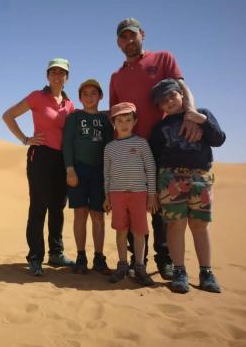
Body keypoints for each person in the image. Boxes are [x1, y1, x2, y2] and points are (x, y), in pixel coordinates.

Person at [109, 17, 202, 280]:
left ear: (142, 35)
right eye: (124, 38)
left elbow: (181, 88)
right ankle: (137, 261)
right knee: (131, 204)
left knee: (159, 203)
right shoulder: (116, 76)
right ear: (118, 43)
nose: (129, 41)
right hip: (131, 148)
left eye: (133, 35)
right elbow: (115, 114)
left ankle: (165, 261)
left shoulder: (163, 58)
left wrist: (191, 112)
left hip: (164, 143)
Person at [149, 79, 226, 293]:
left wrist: (202, 120)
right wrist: (154, 189)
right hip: (169, 178)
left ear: (181, 94)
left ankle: (206, 272)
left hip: (200, 177)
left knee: (200, 225)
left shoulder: (203, 113)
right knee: (175, 225)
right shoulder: (160, 128)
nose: (169, 102)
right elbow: (154, 158)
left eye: (172, 96)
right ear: (159, 106)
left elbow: (219, 139)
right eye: (163, 101)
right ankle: (179, 271)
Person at [2, 58, 76, 276]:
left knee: (57, 207)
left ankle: (56, 253)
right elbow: (8, 116)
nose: (57, 75)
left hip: (61, 159)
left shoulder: (70, 105)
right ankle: (35, 257)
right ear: (47, 76)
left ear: (66, 78)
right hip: (40, 156)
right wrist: (25, 139)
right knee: (38, 207)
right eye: (53, 71)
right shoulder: (37, 96)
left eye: (61, 72)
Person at [103, 102, 158, 286]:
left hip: (139, 194)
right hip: (117, 194)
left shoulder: (141, 143)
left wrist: (151, 195)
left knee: (139, 232)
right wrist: (107, 196)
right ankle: (122, 265)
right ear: (114, 123)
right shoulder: (109, 147)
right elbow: (107, 174)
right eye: (119, 120)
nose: (124, 123)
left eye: (128, 119)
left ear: (135, 121)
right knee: (121, 230)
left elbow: (150, 169)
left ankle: (140, 267)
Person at [62, 79, 113, 274]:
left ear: (100, 96)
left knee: (98, 216)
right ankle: (81, 255)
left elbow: (109, 148)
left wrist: (108, 177)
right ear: (80, 98)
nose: (89, 97)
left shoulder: (105, 121)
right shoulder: (74, 117)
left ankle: (99, 257)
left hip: (99, 172)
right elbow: (67, 144)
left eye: (93, 93)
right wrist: (70, 169)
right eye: (85, 94)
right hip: (78, 171)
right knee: (80, 215)